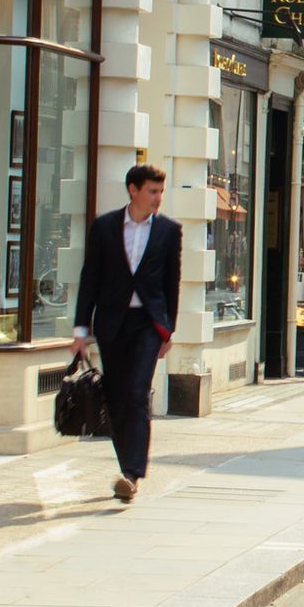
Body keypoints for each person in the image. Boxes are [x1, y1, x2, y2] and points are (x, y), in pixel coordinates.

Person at [73, 164, 182, 504]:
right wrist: (81, 328)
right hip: (112, 324)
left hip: (148, 325)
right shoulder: (104, 227)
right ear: (133, 190)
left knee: (136, 393)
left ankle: (133, 473)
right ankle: (126, 470)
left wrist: (169, 329)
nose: (158, 198)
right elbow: (90, 277)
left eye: (161, 192)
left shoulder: (168, 231)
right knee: (117, 397)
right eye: (152, 191)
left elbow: (171, 283)